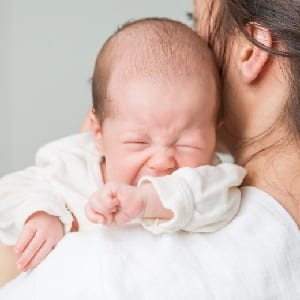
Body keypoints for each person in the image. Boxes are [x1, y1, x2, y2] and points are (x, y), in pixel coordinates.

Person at [1, 0, 300, 298]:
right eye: (138, 142)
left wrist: (147, 200)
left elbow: (215, 195)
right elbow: (17, 188)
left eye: (195, 22)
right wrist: (39, 212)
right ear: (98, 131)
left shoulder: (95, 270)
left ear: (250, 49)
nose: (162, 162)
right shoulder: (75, 160)